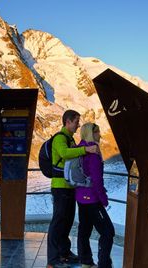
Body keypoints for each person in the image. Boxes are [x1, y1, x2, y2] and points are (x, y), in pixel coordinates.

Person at [47, 110, 99, 268]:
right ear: (68, 122)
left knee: (67, 221)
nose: (78, 125)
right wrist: (85, 150)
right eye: (76, 121)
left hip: (69, 187)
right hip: (60, 187)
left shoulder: (69, 139)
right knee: (58, 222)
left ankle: (65, 253)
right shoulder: (59, 138)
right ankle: (53, 259)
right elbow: (64, 153)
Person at [75, 123, 115, 268]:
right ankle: (104, 264)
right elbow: (97, 180)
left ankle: (85, 261)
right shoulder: (93, 154)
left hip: (80, 197)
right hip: (92, 198)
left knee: (84, 229)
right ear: (91, 133)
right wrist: (103, 199)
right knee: (108, 232)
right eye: (97, 132)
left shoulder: (79, 149)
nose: (100, 134)